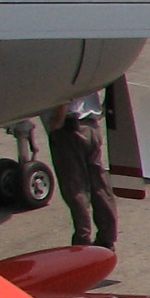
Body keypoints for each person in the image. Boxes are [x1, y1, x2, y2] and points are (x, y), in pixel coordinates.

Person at [42, 90, 116, 249]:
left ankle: (82, 240)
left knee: (75, 189)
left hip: (69, 126)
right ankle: (107, 237)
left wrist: (58, 120)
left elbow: (66, 86)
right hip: (91, 125)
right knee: (99, 185)